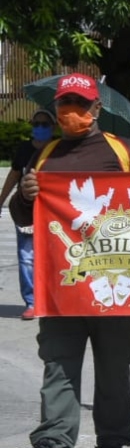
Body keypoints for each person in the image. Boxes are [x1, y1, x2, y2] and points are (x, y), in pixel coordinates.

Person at [9, 73, 130, 448]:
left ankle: (112, 445)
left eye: (80, 104)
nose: (71, 112)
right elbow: (23, 217)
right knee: (58, 365)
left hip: (117, 284)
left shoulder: (123, 152)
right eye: (65, 104)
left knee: (114, 369)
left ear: (97, 109)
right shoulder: (46, 154)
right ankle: (54, 446)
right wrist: (25, 195)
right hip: (63, 285)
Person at [1, 108, 57, 320]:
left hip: (54, 213)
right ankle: (32, 302)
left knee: (55, 256)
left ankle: (53, 299)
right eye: (36, 124)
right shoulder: (25, 149)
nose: (40, 128)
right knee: (26, 257)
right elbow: (15, 174)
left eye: (44, 124)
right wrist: (1, 200)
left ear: (53, 127)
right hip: (26, 211)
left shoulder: (59, 149)